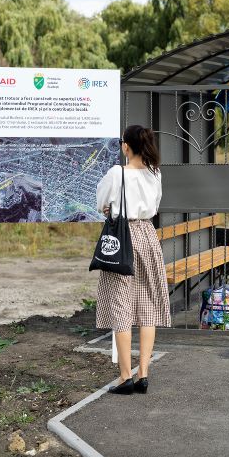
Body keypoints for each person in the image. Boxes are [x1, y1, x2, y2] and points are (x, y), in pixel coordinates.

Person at [95, 125, 171, 395]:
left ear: (126, 146)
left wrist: (109, 207)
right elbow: (156, 205)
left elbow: (102, 202)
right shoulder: (155, 173)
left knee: (121, 305)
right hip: (147, 236)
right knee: (147, 304)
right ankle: (143, 374)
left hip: (122, 237)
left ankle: (125, 377)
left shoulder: (118, 173)